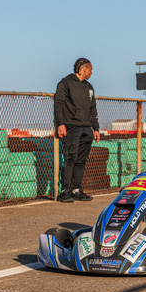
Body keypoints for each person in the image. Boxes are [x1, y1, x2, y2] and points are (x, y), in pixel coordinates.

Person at [54, 57, 101, 203]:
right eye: (90, 69)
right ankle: (64, 191)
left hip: (87, 128)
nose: (92, 72)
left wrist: (96, 128)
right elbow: (58, 104)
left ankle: (77, 190)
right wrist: (60, 124)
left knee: (81, 161)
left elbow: (93, 108)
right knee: (70, 159)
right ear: (83, 69)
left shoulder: (89, 87)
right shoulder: (65, 83)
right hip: (71, 127)